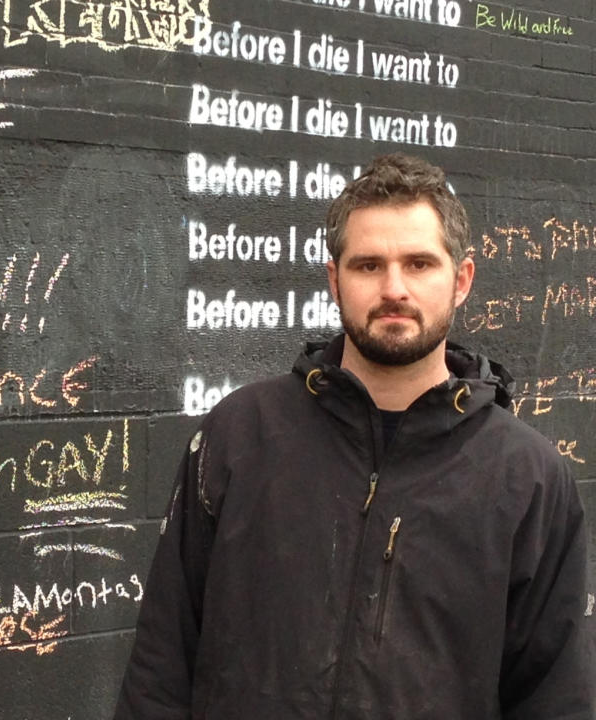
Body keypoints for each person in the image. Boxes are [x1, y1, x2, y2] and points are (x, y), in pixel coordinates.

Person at [114, 153, 592, 719]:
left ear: (461, 279)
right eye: (368, 265)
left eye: (419, 264)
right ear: (333, 280)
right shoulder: (239, 435)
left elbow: (553, 698)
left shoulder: (529, 477)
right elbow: (162, 668)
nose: (394, 289)